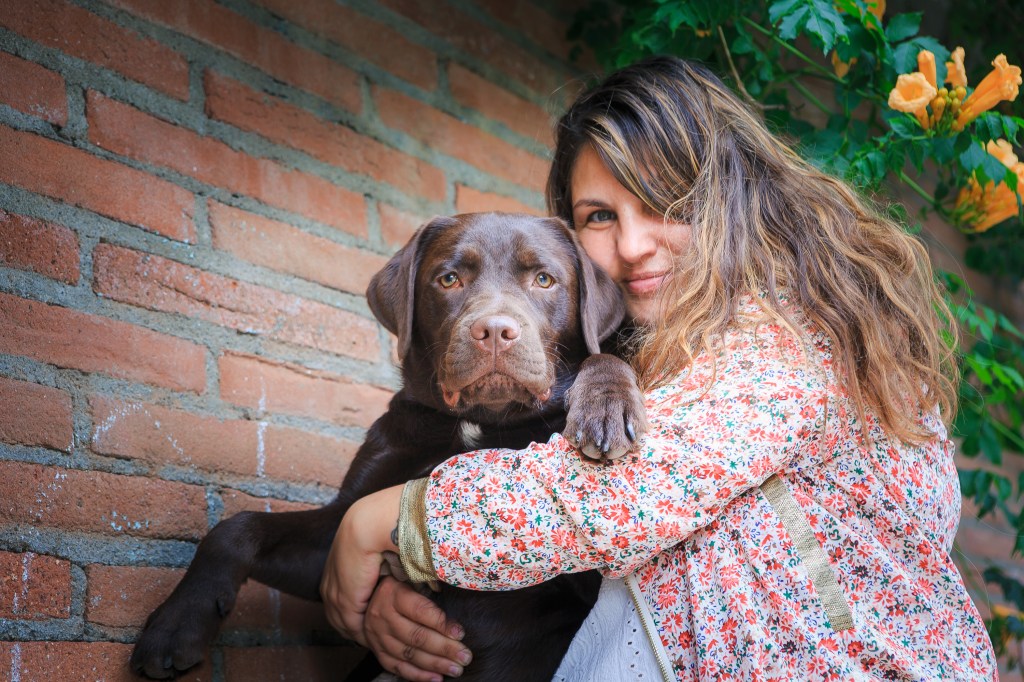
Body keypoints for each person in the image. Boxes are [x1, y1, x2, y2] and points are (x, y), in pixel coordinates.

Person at [320, 56, 998, 681]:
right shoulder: (658, 346)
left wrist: (391, 523)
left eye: (666, 205)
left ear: (729, 195)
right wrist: (401, 600)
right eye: (598, 215)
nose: (635, 245)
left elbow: (621, 496)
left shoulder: (794, 328)